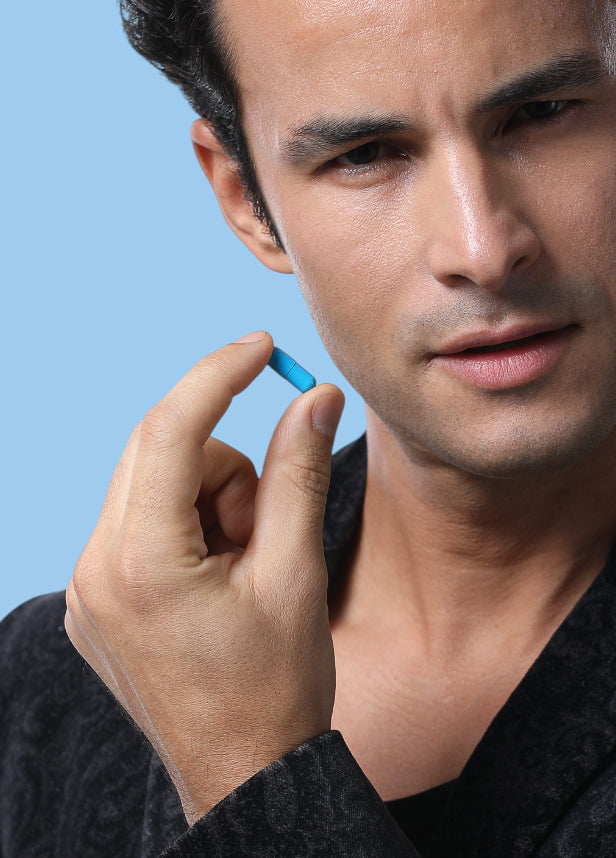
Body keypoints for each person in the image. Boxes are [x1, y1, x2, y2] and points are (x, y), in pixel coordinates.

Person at [3, 0, 616, 855]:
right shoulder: (46, 690)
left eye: (542, 113)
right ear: (245, 200)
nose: (482, 248)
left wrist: (247, 766)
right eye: (364, 154)